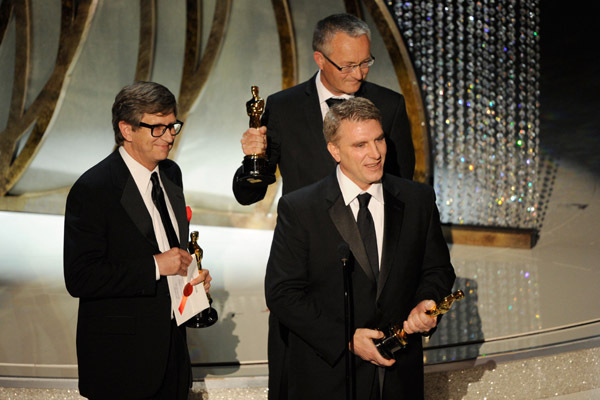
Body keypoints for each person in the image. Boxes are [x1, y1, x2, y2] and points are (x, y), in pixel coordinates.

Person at [264, 97, 455, 399]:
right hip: (329, 377)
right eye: (360, 145)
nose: (375, 153)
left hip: (398, 377)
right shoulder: (300, 208)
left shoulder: (417, 199)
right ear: (334, 151)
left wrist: (426, 302)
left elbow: (437, 269)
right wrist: (347, 340)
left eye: (379, 140)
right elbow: (282, 293)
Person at [64, 81, 212, 399]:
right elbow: (80, 277)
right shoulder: (94, 188)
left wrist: (191, 277)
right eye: (157, 128)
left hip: (172, 355)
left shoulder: (171, 173)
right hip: (121, 363)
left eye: (172, 125)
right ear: (127, 130)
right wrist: (155, 266)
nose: (170, 136)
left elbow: (170, 245)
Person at [233, 13, 415, 205]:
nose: (359, 74)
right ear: (320, 59)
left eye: (365, 63)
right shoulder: (283, 108)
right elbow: (249, 196)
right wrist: (253, 158)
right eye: (348, 66)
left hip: (367, 231)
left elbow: (401, 186)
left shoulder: (390, 105)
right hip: (303, 232)